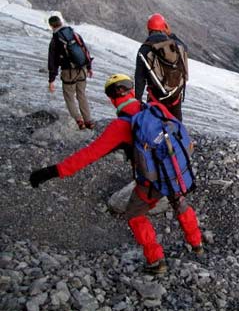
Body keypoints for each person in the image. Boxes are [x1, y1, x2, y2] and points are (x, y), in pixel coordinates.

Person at [29, 74, 203, 275]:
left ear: (112, 100)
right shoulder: (156, 108)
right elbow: (181, 134)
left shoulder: (120, 127)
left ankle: (156, 260)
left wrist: (52, 171)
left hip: (150, 181)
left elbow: (88, 155)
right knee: (178, 201)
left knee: (134, 214)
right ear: (131, 90)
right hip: (175, 172)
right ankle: (196, 244)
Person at [134, 13, 188, 121]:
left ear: (149, 28)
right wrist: (171, 34)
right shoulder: (176, 45)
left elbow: (139, 78)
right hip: (175, 95)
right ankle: (178, 136)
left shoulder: (144, 49)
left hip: (156, 96)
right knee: (176, 126)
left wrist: (138, 100)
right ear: (164, 27)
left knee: (155, 126)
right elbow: (185, 49)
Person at [47, 14, 95, 130]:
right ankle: (89, 121)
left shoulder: (55, 39)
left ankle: (79, 121)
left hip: (68, 72)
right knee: (81, 95)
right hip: (82, 69)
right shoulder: (74, 33)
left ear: (51, 26)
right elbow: (84, 49)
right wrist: (89, 67)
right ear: (61, 22)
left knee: (69, 96)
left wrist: (51, 80)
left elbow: (52, 61)